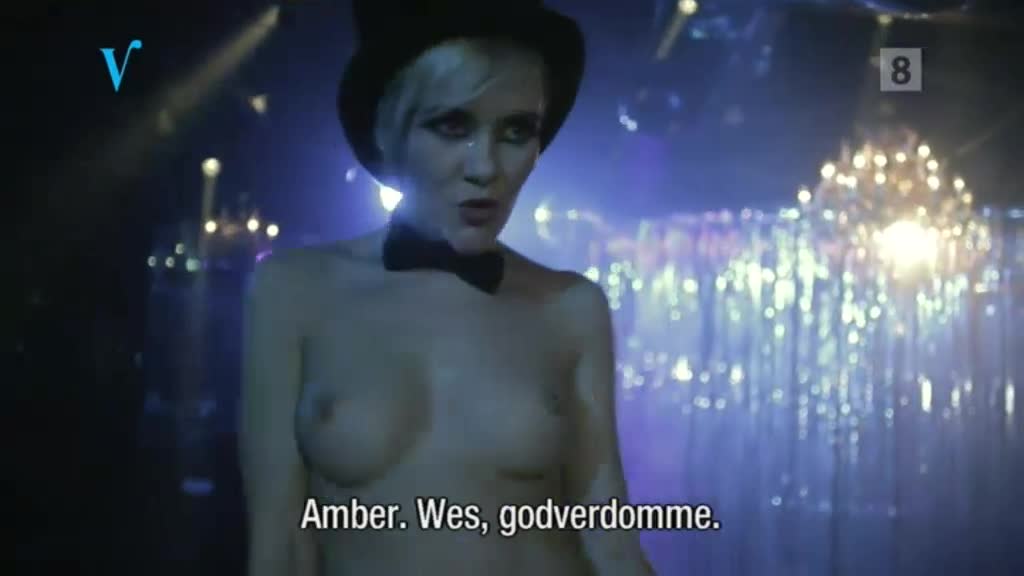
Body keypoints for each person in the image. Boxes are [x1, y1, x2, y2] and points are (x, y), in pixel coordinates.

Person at [239, 1, 654, 574]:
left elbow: (610, 538)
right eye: (452, 127)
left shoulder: (570, 306)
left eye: (516, 131)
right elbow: (280, 544)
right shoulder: (293, 291)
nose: (485, 167)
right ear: (390, 132)